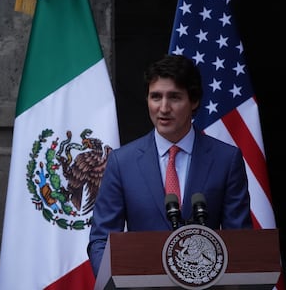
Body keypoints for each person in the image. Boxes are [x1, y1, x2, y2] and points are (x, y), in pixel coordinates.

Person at [87, 54, 252, 276]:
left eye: (174, 97)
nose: (163, 108)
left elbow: (240, 241)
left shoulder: (226, 159)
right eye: (156, 97)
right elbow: (101, 240)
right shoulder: (121, 162)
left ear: (193, 101)